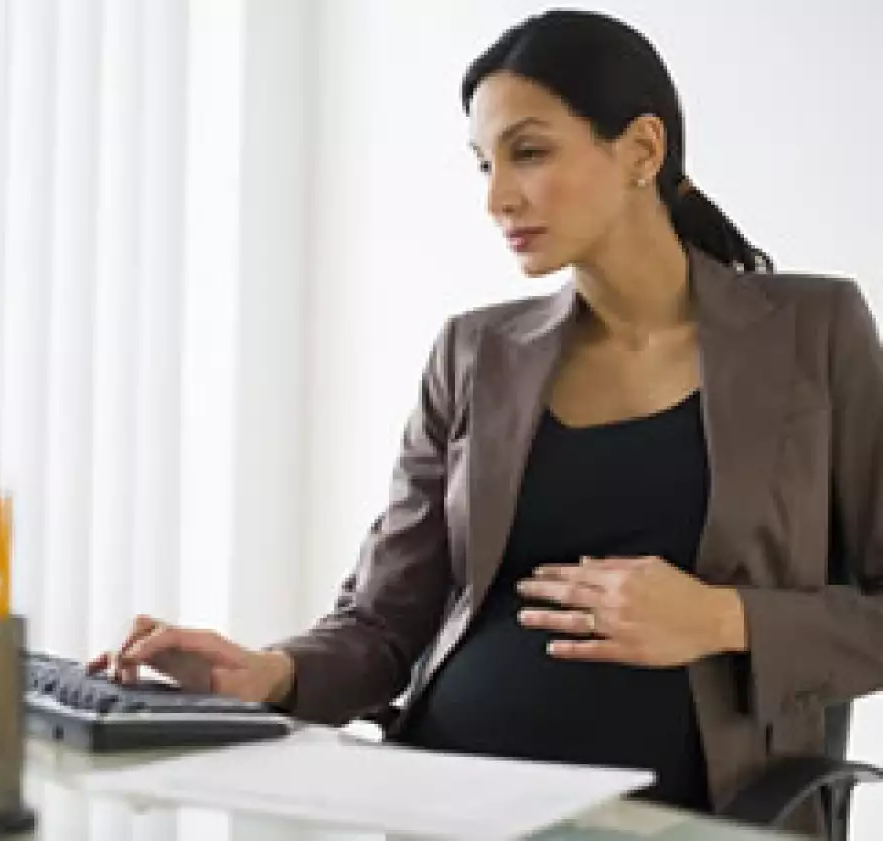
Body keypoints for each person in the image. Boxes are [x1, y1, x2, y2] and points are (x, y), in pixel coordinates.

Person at [89, 10, 883, 837]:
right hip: (450, 796)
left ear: (642, 150)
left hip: (681, 816)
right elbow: (384, 620)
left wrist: (723, 618)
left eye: (529, 152)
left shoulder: (811, 333)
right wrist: (270, 671)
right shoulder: (474, 352)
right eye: (484, 164)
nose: (498, 197)